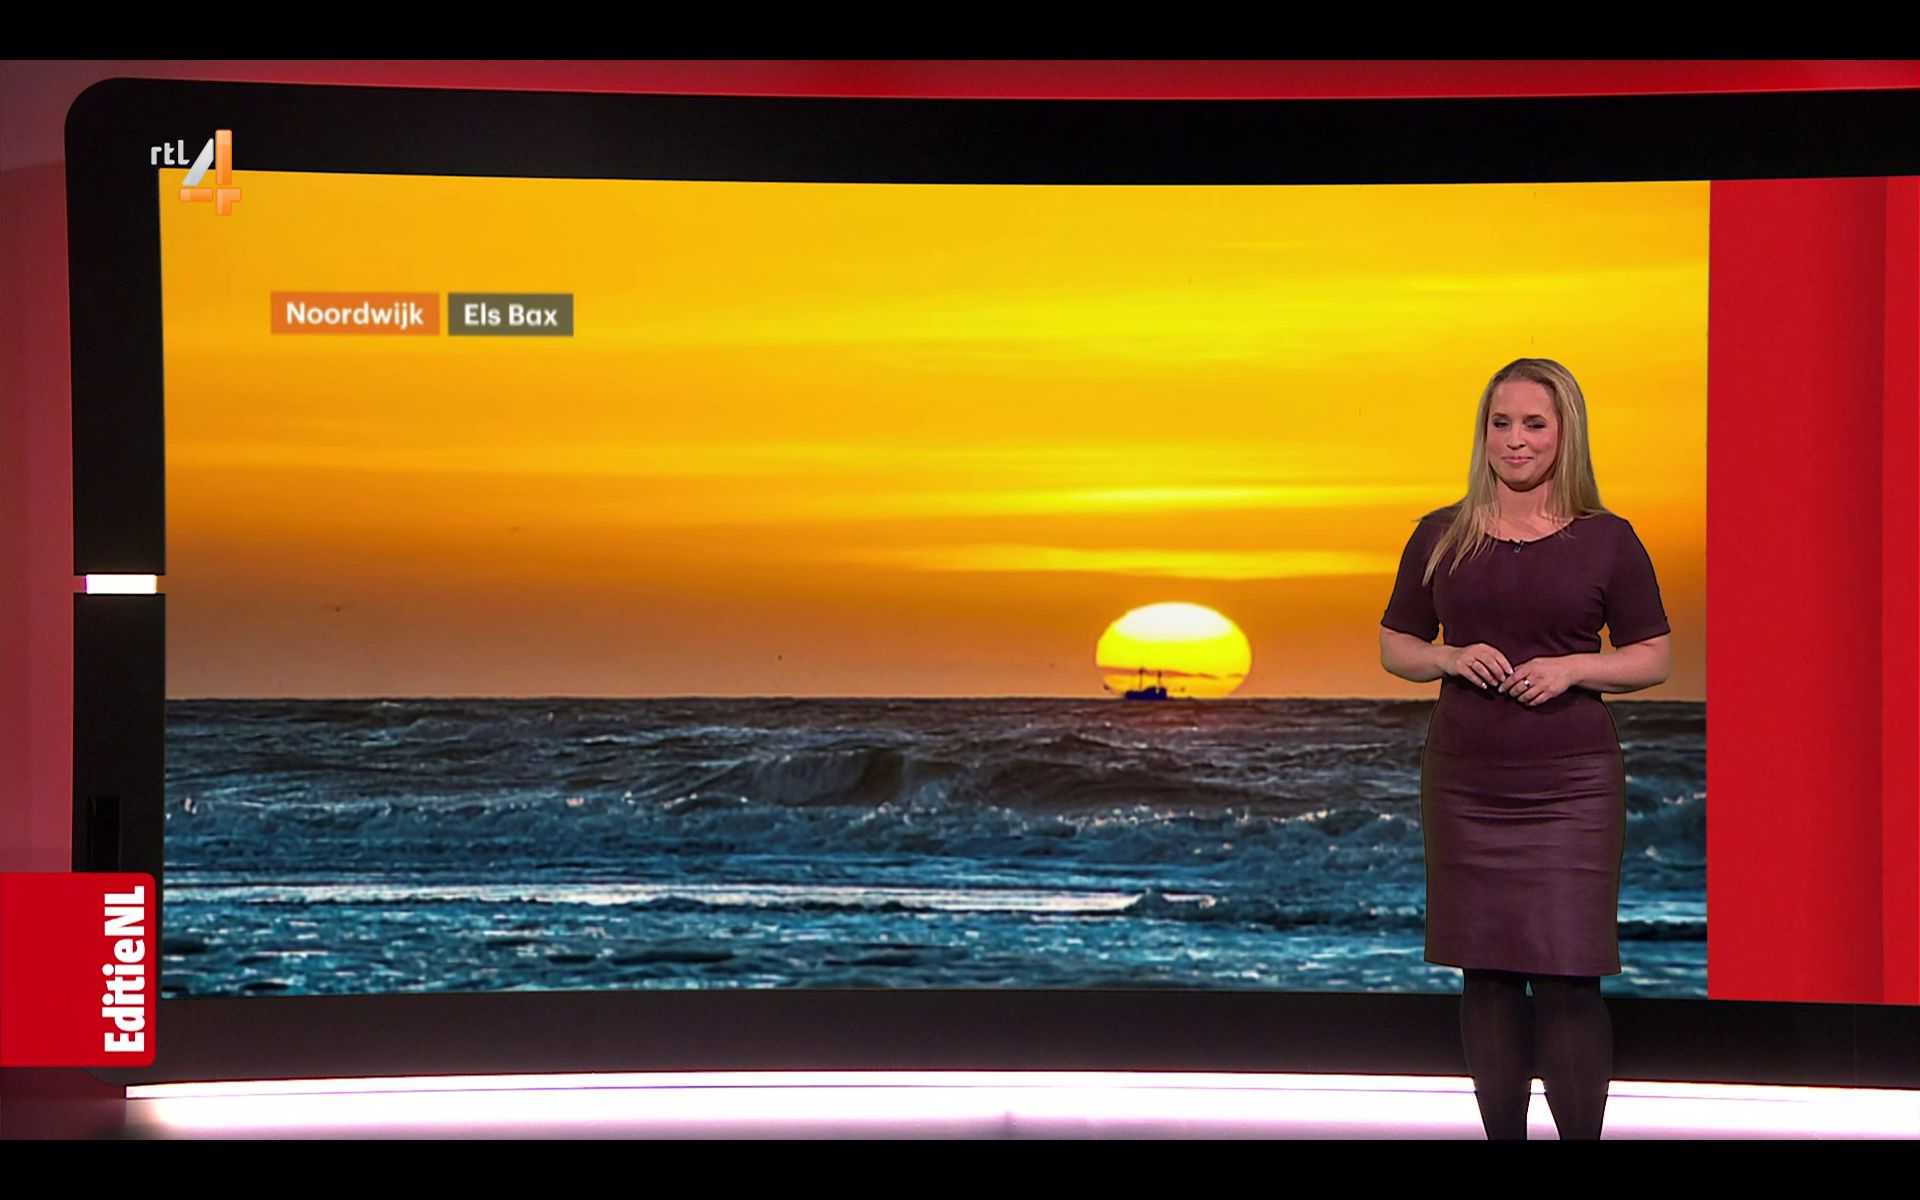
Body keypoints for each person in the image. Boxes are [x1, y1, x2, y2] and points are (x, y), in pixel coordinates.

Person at [1377, 358, 1672, 1140]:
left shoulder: (1607, 539)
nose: (1515, 440)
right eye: (1500, 423)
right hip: (1466, 780)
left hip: (1571, 785)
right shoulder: (1439, 534)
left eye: (1534, 424)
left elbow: (1653, 656)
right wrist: (1446, 657)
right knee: (1487, 975)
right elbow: (1396, 644)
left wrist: (1573, 668)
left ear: (1565, 432)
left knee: (1569, 977)